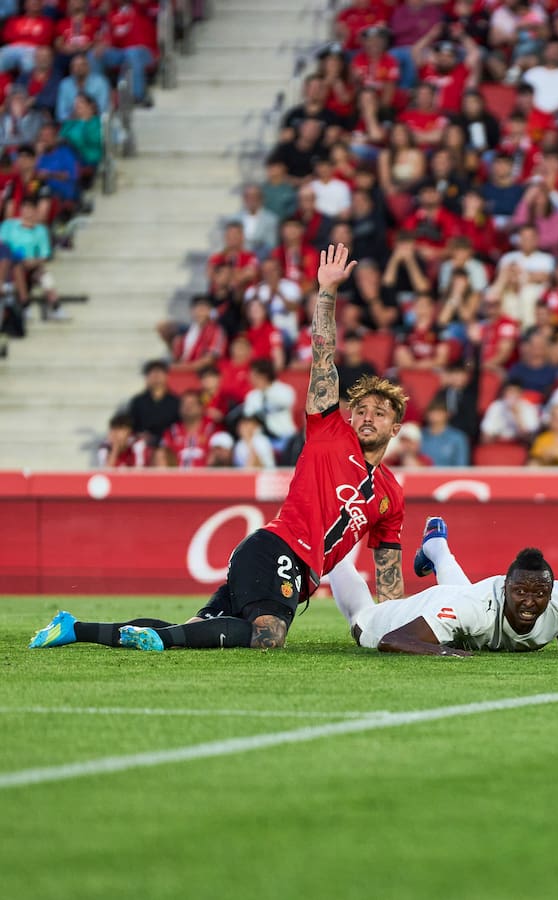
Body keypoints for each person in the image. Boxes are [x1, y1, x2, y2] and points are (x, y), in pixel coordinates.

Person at [30, 245, 411, 653]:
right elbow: (322, 356)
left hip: (289, 570)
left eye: (381, 413)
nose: (369, 417)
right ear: (350, 417)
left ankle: (73, 628)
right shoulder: (328, 430)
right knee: (268, 637)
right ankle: (157, 641)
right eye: (362, 410)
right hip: (276, 550)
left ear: (396, 427)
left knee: (195, 628)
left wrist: (396, 628)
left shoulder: (391, 495)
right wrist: (327, 293)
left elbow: (388, 573)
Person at [330, 517, 558, 655]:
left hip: (461, 604)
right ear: (505, 588)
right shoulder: (475, 608)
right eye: (521, 592)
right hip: (391, 622)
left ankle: (436, 543)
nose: (530, 602)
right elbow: (393, 640)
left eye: (539, 594)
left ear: (551, 591)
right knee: (362, 612)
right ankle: (331, 550)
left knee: (466, 608)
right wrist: (446, 654)